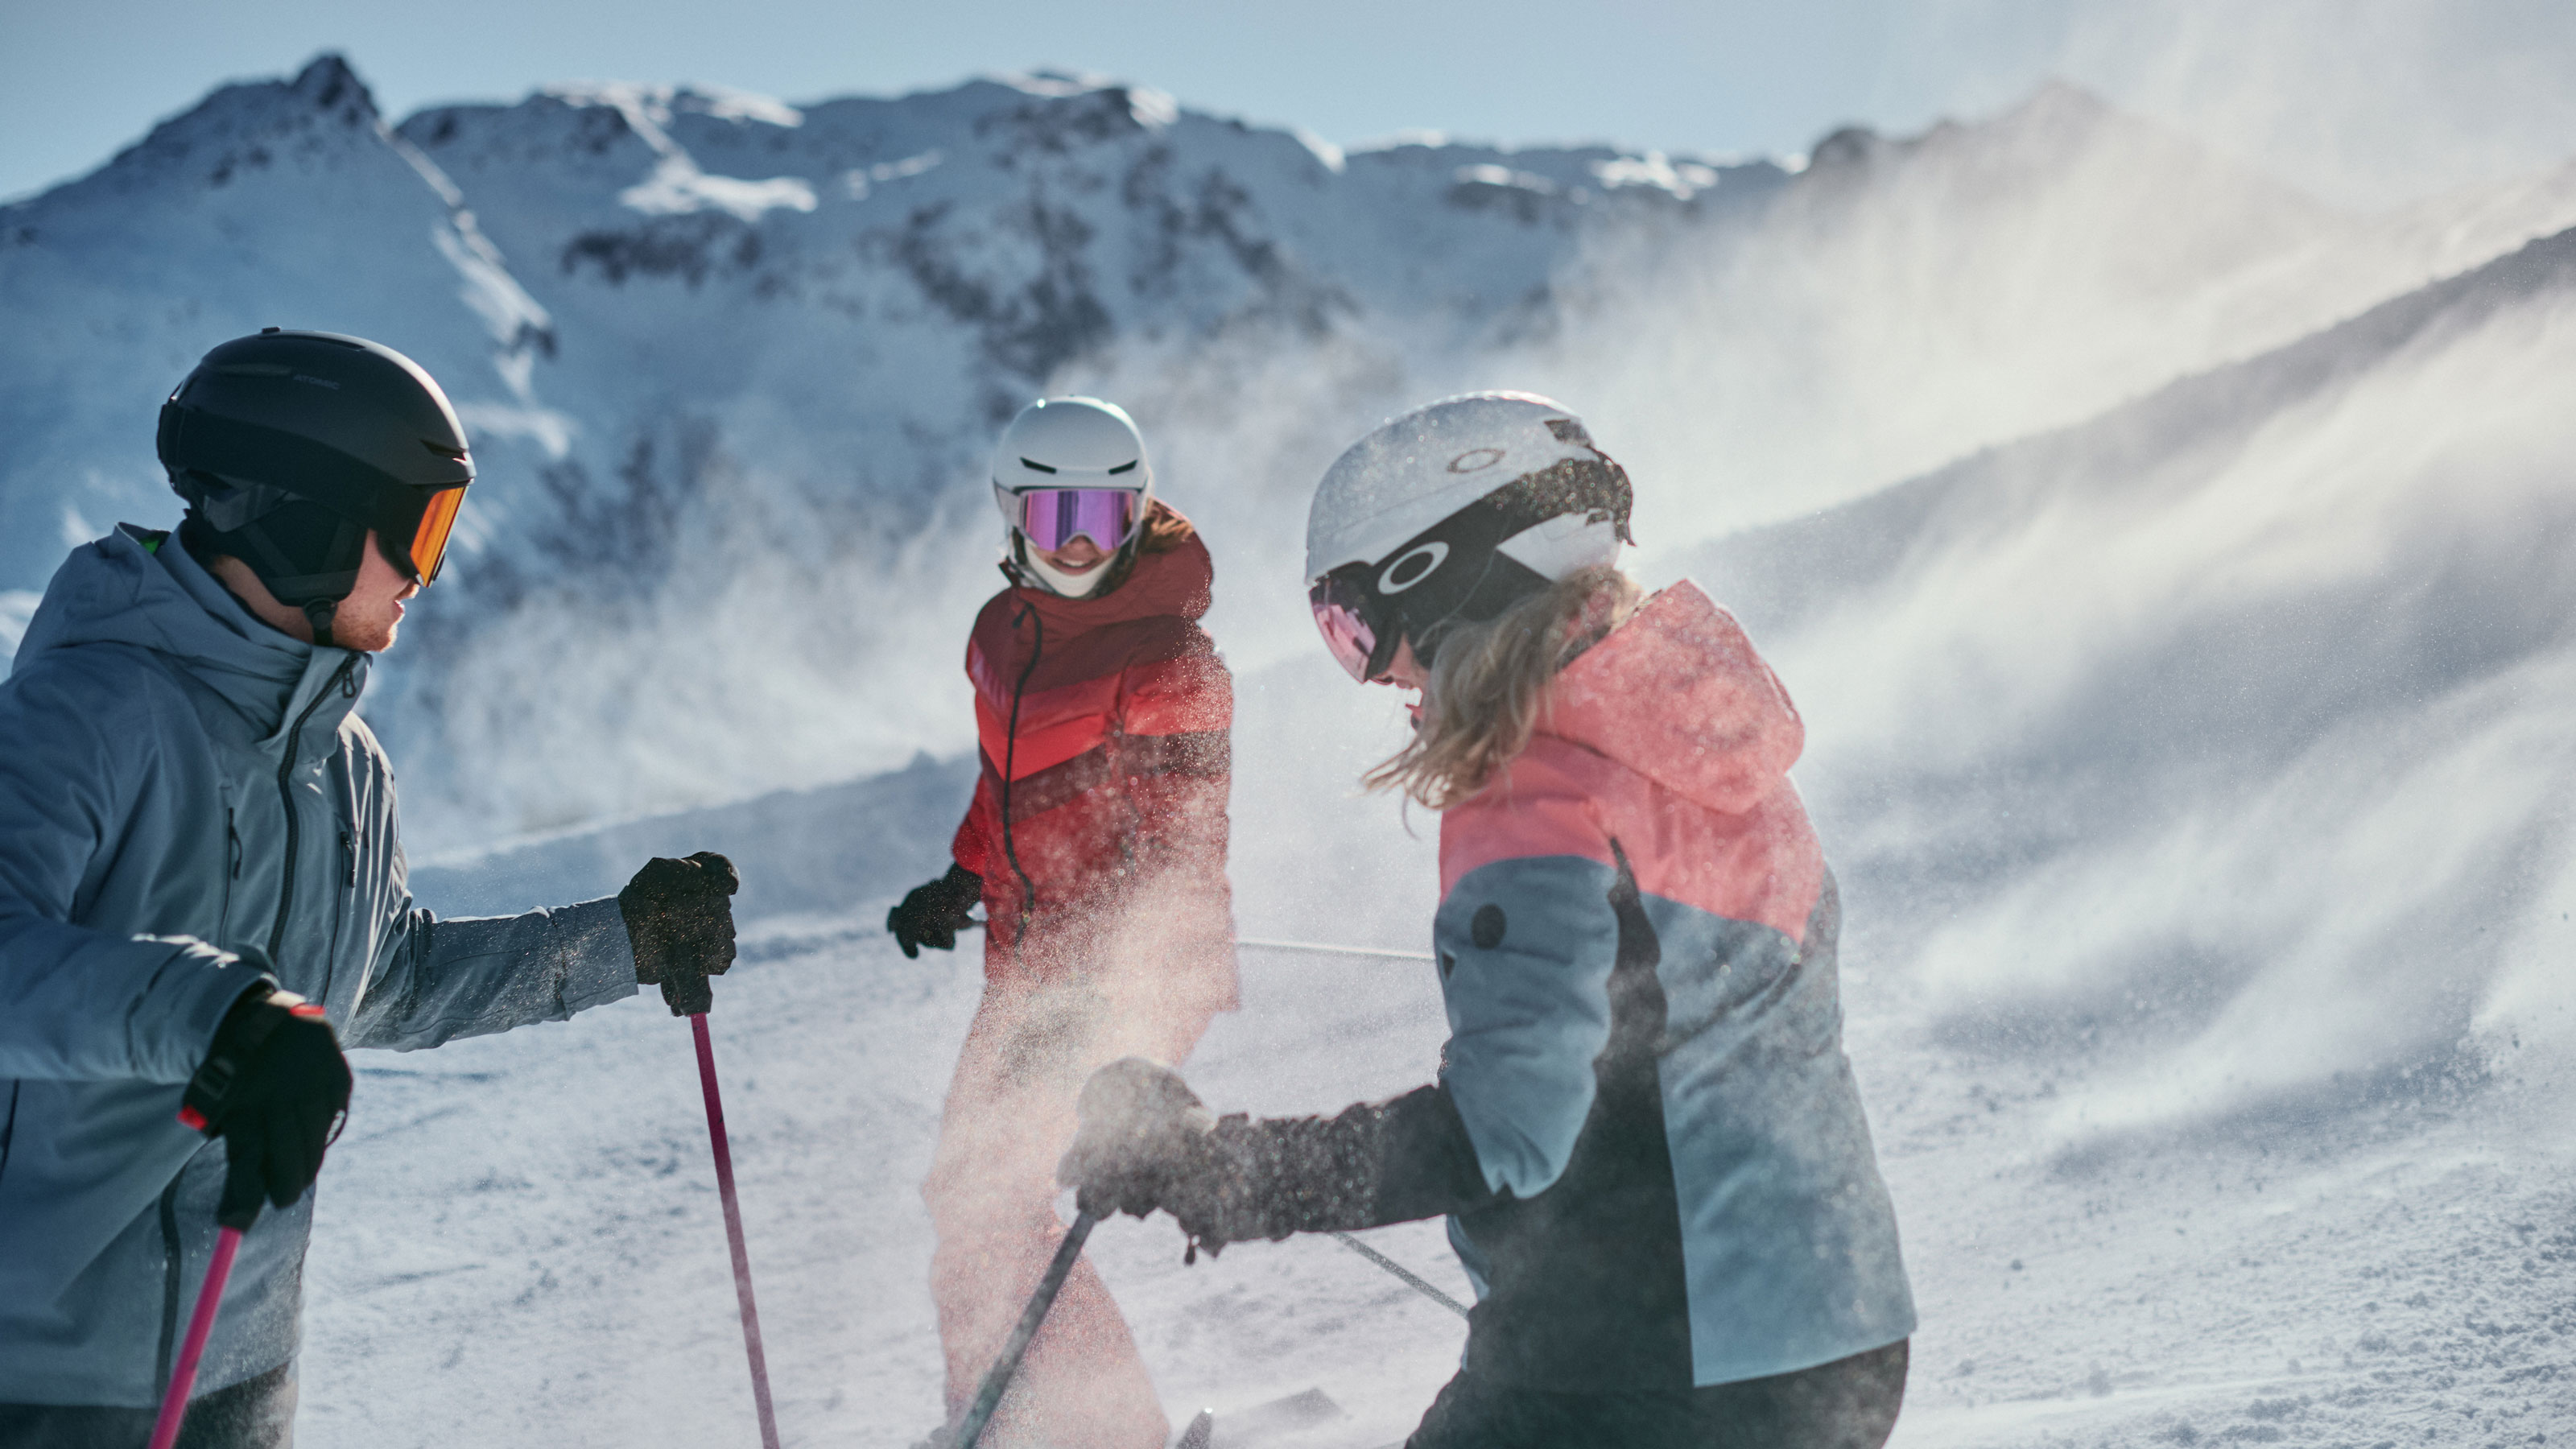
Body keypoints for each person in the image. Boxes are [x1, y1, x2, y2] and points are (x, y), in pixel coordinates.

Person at [1056, 393, 1917, 1449]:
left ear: (1449, 576)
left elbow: (1501, 1136)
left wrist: (1207, 1168)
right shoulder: (1705, 746)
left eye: (1358, 625)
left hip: (1639, 1373)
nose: (1380, 672)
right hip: (1836, 1339)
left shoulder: (1534, 795)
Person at [0, 328, 741, 1447]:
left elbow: (380, 981)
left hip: (239, 1367)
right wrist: (220, 1018)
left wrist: (623, 942)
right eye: (418, 530)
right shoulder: (86, 717)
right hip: (49, 1380)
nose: (424, 575)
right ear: (307, 518)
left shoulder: (344, 767)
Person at [885, 396, 1236, 1449]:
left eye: (1108, 516)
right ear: (1011, 518)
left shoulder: (1171, 661)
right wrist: (962, 875)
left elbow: (1187, 852)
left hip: (1119, 979)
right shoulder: (1003, 634)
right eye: (1055, 519)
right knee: (968, 1204)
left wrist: (1125, 1008)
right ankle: (1002, 1421)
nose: (1083, 544)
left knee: (995, 1213)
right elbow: (1009, 781)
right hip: (1029, 971)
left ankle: (1071, 1431)